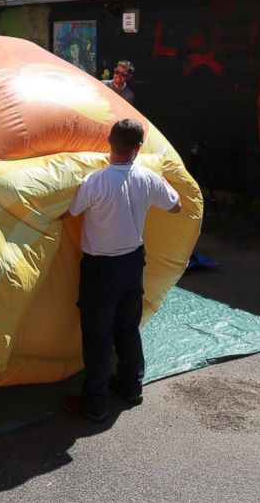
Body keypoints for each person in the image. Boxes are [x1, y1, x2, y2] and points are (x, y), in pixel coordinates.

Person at [61, 118, 182, 422]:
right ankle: (131, 385)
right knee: (127, 327)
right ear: (138, 147)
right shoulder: (147, 178)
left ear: (108, 143)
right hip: (132, 263)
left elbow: (68, 211)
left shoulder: (95, 182)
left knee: (98, 335)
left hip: (101, 268)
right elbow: (176, 206)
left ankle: (95, 403)